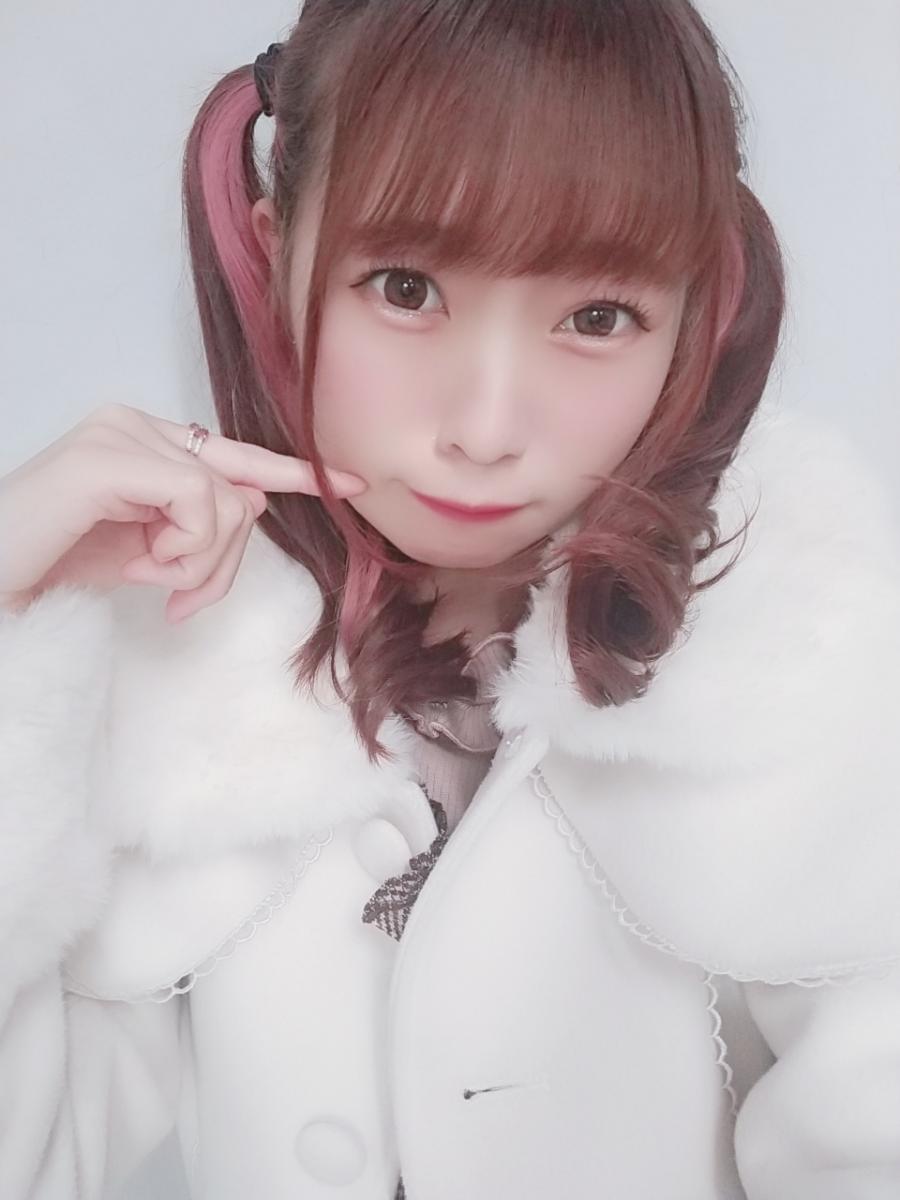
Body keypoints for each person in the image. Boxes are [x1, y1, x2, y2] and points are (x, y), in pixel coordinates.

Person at [1, 1, 899, 1197]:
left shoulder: (801, 676)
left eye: (596, 317)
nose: (483, 428)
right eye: (407, 287)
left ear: (696, 313)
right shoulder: (168, 680)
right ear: (276, 256)